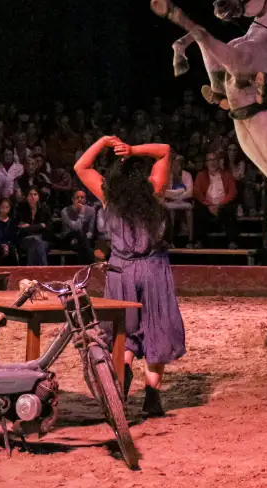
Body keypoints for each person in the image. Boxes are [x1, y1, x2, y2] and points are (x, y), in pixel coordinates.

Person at [74, 135, 186, 416]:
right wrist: (133, 149)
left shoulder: (108, 195)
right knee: (156, 326)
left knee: (123, 330)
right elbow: (164, 150)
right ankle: (151, 395)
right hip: (153, 268)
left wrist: (102, 142)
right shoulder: (155, 189)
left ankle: (122, 379)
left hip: (121, 269)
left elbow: (80, 167)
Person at [15, 187, 52, 266]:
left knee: (38, 244)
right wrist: (39, 226)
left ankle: (31, 270)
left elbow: (49, 227)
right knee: (36, 241)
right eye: (30, 194)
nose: (33, 197)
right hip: (25, 239)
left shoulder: (44, 209)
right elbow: (21, 228)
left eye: (35, 194)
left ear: (38, 197)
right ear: (27, 197)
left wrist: (29, 226)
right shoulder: (21, 209)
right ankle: (44, 270)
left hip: (42, 238)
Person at [59, 190, 96, 264]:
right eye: (77, 197)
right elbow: (76, 227)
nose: (79, 199)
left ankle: (81, 267)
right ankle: (87, 266)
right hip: (68, 238)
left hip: (83, 240)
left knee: (81, 242)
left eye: (82, 197)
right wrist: (82, 213)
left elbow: (90, 231)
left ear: (85, 200)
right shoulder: (65, 211)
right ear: (72, 199)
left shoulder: (91, 211)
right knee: (79, 234)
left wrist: (84, 238)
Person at [0, 197, 18, 266]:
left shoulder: (12, 221)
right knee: (0, 251)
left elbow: (14, 236)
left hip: (9, 245)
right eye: (2, 207)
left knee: (13, 251)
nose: (5, 209)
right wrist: (1, 245)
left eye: (7, 207)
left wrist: (7, 245)